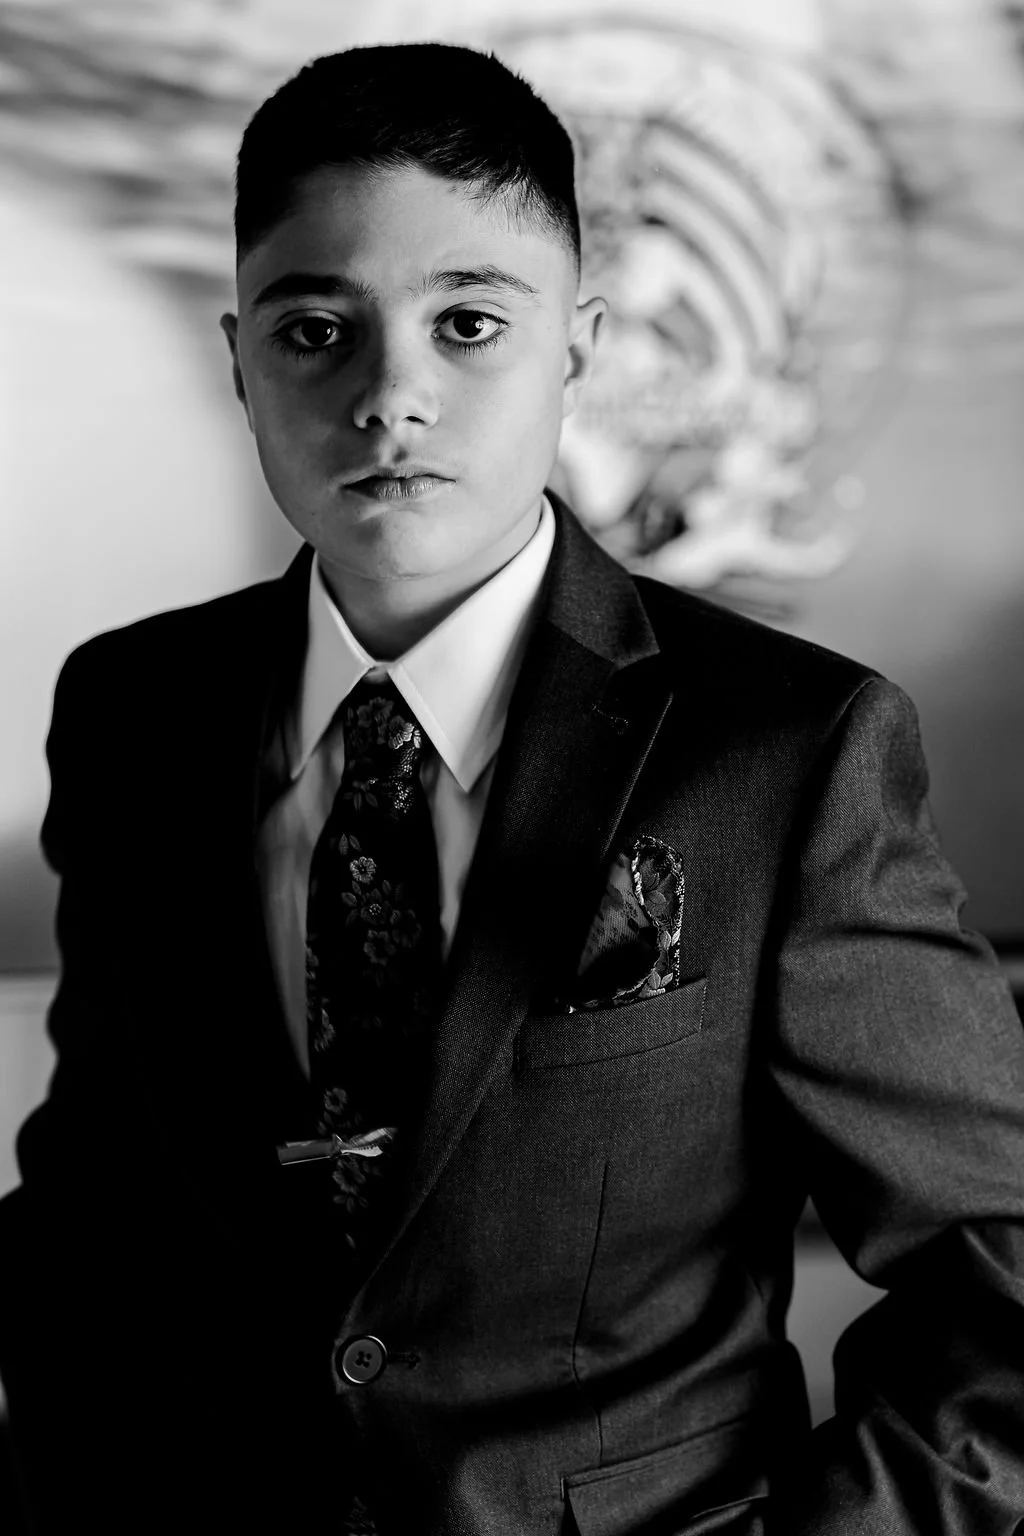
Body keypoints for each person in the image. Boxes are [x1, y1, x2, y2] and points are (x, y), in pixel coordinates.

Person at [1, 40, 1023, 1536]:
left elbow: (996, 1258)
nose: (389, 397)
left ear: (579, 347)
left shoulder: (789, 748)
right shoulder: (131, 709)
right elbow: (94, 1204)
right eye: (315, 332)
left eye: (468, 323)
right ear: (238, 359)